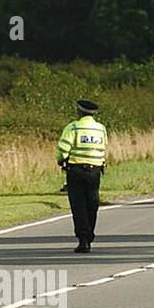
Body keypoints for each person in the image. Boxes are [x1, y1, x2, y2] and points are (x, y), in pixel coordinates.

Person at [57, 99, 108, 253]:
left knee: (78, 205)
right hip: (95, 172)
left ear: (79, 112)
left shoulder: (73, 127)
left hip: (76, 170)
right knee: (92, 204)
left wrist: (61, 160)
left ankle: (83, 239)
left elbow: (63, 149)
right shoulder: (101, 129)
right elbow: (104, 148)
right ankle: (89, 235)